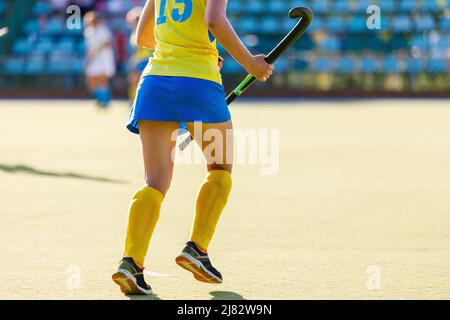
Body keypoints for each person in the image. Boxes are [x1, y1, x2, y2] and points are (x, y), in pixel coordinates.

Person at [112, 0, 274, 295]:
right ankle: (197, 249)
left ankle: (131, 263)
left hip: (155, 82)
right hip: (199, 81)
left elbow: (144, 36)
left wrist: (180, 46)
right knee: (220, 167)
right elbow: (213, 19)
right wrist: (249, 62)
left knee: (155, 181)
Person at [83, 11, 116, 108]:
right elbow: (90, 48)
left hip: (104, 58)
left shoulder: (103, 30)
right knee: (91, 78)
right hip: (94, 58)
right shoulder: (88, 32)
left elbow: (109, 42)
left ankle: (105, 101)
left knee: (103, 80)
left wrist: (98, 49)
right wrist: (89, 58)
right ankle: (99, 98)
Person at [126, 6, 153, 103]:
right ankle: (134, 100)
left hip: (143, 59)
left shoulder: (143, 31)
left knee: (139, 82)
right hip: (136, 60)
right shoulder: (134, 32)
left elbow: (142, 46)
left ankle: (139, 101)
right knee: (133, 81)